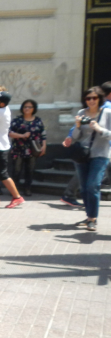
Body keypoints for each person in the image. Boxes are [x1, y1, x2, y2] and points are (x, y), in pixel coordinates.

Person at [71, 86, 111, 231]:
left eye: (94, 98)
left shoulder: (107, 113)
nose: (91, 101)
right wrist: (76, 126)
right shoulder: (81, 113)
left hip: (100, 154)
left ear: (100, 99)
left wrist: (99, 129)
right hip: (82, 155)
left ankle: (93, 218)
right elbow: (75, 136)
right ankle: (89, 217)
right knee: (83, 187)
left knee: (92, 185)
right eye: (88, 98)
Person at [9, 99, 46, 197]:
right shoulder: (17, 120)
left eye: (29, 107)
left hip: (33, 149)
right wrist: (22, 135)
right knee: (16, 170)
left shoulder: (38, 120)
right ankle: (14, 190)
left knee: (30, 170)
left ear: (34, 109)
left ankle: (27, 189)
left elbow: (43, 134)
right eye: (25, 107)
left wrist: (44, 146)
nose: (27, 109)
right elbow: (10, 133)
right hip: (18, 148)